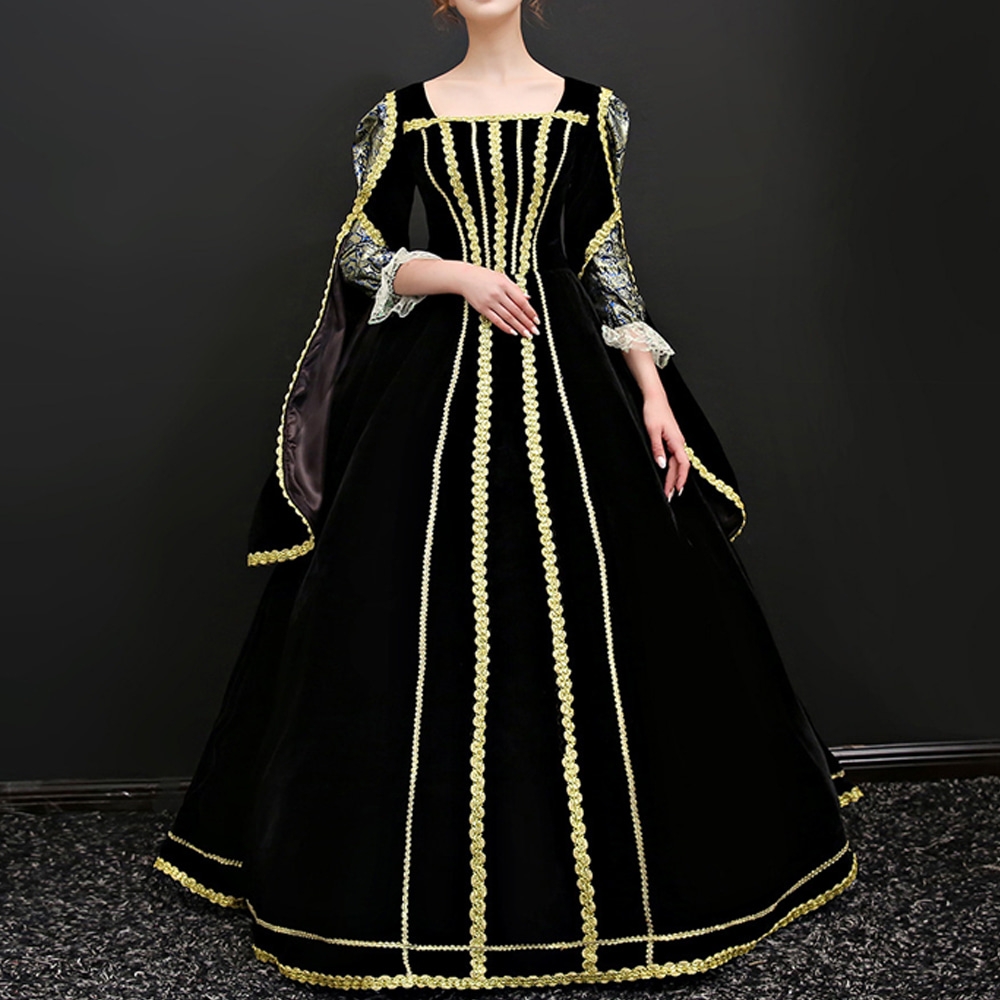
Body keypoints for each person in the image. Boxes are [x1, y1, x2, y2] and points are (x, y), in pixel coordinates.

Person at [152, 0, 863, 989]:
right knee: (400, 608)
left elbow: (603, 259)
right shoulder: (402, 114)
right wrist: (450, 274)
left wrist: (654, 393)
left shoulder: (591, 112)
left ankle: (637, 889)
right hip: (431, 388)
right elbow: (360, 248)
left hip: (572, 378)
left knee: (621, 609)